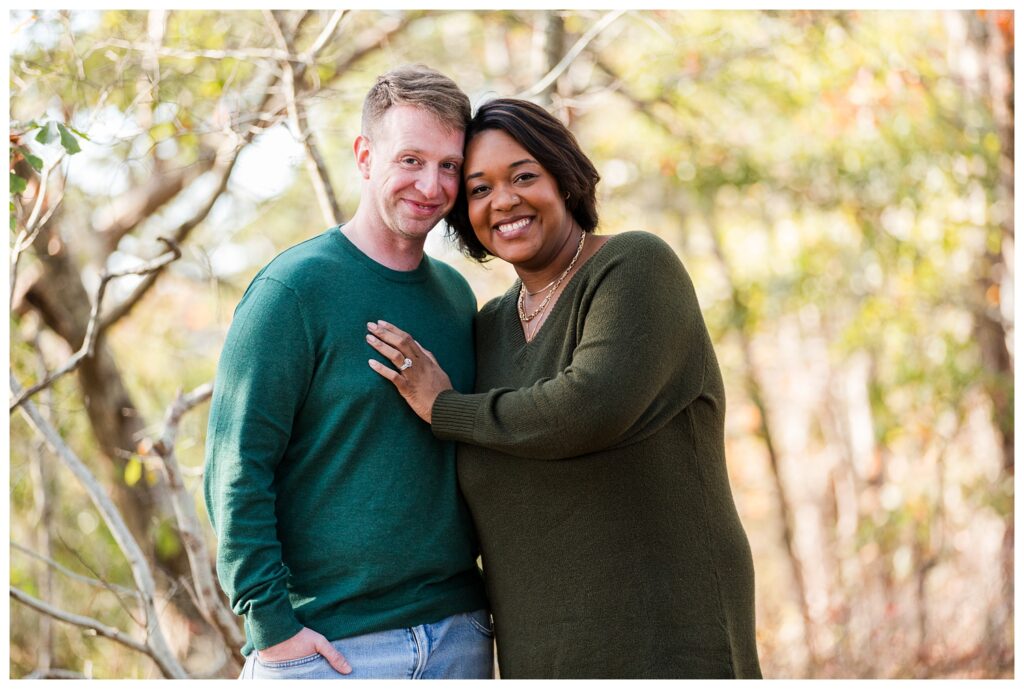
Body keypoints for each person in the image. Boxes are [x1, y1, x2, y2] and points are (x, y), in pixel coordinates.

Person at [365, 98, 762, 679]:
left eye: (524, 176)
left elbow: (587, 407)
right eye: (478, 189)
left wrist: (446, 408)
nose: (503, 200)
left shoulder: (634, 267)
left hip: (667, 634)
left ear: (565, 179)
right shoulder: (488, 327)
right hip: (541, 650)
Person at [203, 65, 492, 680]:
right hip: (334, 649)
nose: (431, 185)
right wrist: (271, 626)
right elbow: (236, 465)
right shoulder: (293, 290)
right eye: (410, 159)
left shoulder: (457, 298)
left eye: (448, 165)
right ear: (365, 156)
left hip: (459, 636)